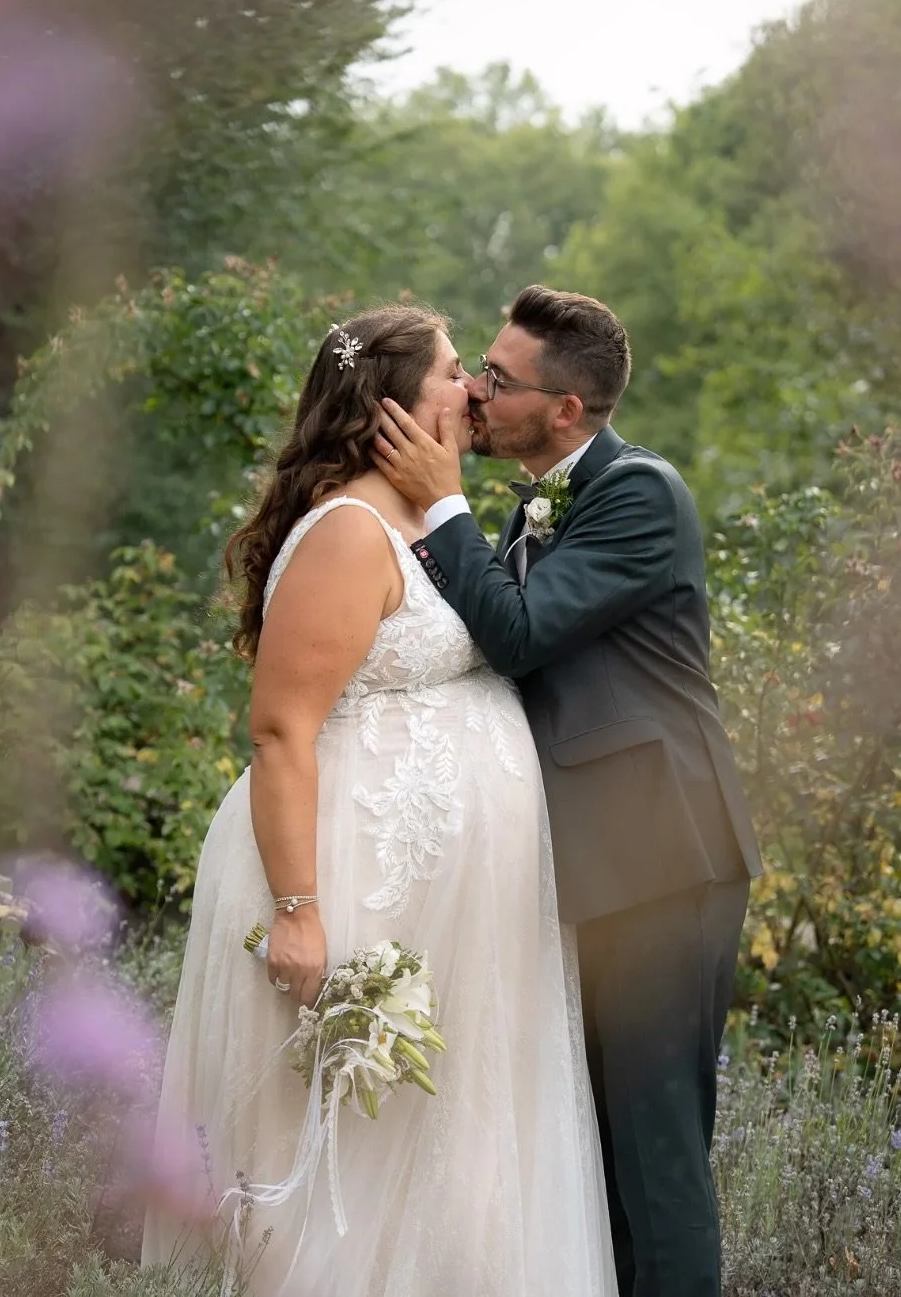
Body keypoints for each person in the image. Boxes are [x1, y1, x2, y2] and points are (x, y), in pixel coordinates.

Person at [140, 304, 618, 1297]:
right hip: (355, 878)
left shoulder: (428, 518)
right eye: (453, 372)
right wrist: (299, 912)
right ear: (391, 406)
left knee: (436, 1143)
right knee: (339, 1145)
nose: (474, 390)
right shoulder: (350, 532)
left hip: (450, 905)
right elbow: (281, 730)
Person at [373, 285, 763, 1297]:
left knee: (655, 1156)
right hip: (590, 866)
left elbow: (521, 635)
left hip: (659, 862)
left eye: (497, 379)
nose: (474, 390)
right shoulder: (536, 505)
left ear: (566, 410)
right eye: (476, 368)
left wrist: (445, 503)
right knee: (595, 1153)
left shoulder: (640, 493)